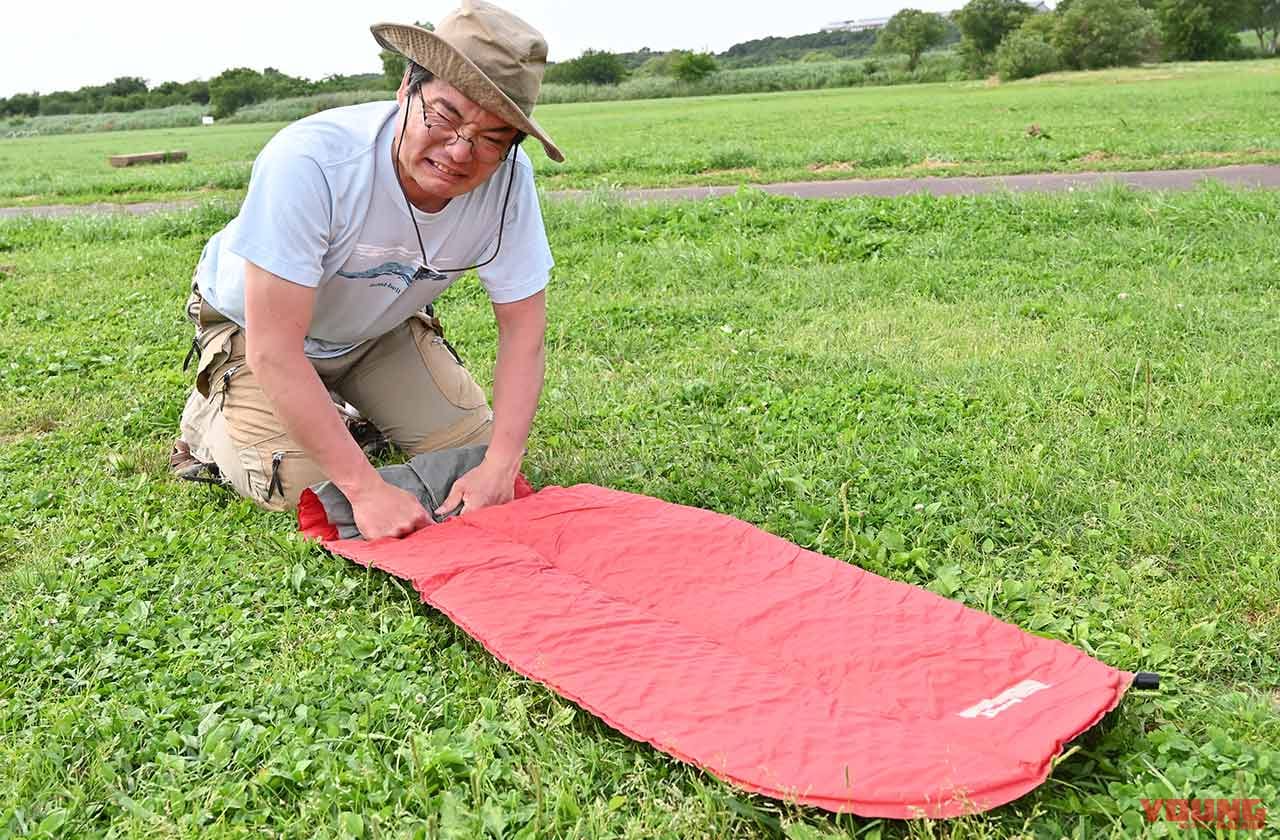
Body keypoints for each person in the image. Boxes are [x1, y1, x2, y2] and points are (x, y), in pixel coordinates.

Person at [171, 0, 563, 540]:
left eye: (492, 138)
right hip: (256, 329)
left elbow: (524, 330)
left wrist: (500, 468)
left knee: (473, 452)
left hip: (377, 328)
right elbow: (274, 348)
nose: (459, 150)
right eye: (445, 115)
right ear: (407, 87)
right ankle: (209, 419)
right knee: (300, 489)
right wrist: (365, 489)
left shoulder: (508, 183)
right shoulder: (311, 162)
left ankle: (344, 407)